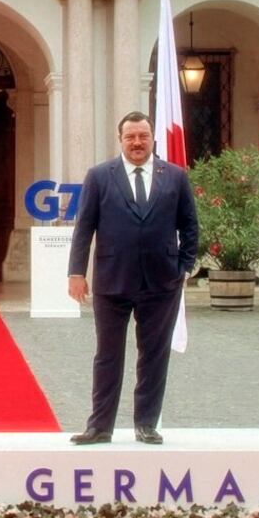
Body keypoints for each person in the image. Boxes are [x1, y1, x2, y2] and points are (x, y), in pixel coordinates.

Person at [67, 111, 199, 445]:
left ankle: (146, 424)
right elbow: (84, 227)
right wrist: (76, 272)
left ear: (152, 137)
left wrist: (182, 267)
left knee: (154, 355)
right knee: (107, 355)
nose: (137, 143)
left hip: (162, 282)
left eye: (143, 136)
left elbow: (190, 225)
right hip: (112, 279)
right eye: (131, 137)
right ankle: (100, 426)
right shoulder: (99, 176)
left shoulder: (175, 176)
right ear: (120, 139)